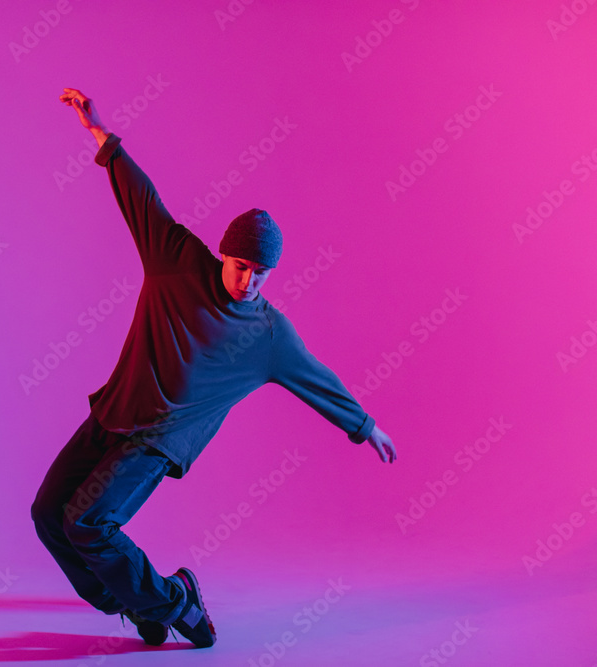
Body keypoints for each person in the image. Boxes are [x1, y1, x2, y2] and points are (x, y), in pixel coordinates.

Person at [31, 88, 397, 649]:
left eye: (260, 272)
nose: (247, 281)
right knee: (48, 513)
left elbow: (317, 380)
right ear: (222, 254)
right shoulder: (176, 259)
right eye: (240, 265)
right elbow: (141, 198)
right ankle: (140, 599)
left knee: (88, 523)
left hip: (159, 440)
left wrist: (365, 425)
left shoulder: (268, 335)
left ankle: (172, 602)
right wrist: (101, 136)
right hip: (114, 413)